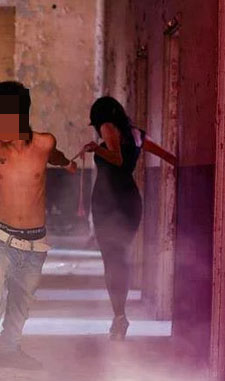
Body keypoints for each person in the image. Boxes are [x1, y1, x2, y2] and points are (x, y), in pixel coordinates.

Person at [0, 81, 76, 381]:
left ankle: (10, 349)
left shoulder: (44, 143)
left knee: (21, 301)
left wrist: (68, 164)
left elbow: (56, 155)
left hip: (34, 242)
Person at [79, 96, 176, 341]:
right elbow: (169, 157)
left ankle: (119, 316)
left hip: (108, 203)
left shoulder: (106, 127)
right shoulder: (138, 135)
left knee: (111, 260)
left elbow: (117, 159)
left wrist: (96, 148)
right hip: (130, 201)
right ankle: (119, 316)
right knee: (120, 257)